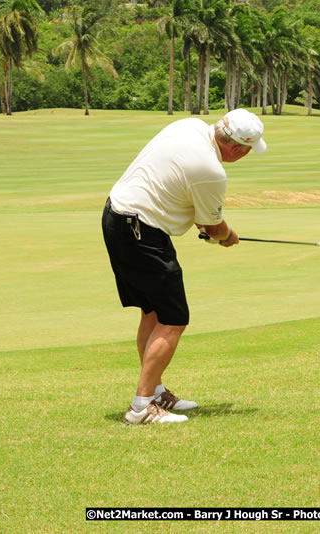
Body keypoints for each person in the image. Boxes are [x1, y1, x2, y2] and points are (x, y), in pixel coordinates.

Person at [102, 108, 267, 425]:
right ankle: (140, 408)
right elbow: (211, 224)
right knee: (174, 319)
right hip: (142, 232)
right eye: (247, 151)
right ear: (236, 148)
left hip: (116, 217)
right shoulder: (212, 172)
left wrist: (211, 230)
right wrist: (226, 236)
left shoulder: (189, 125)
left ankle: (155, 392)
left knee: (153, 312)